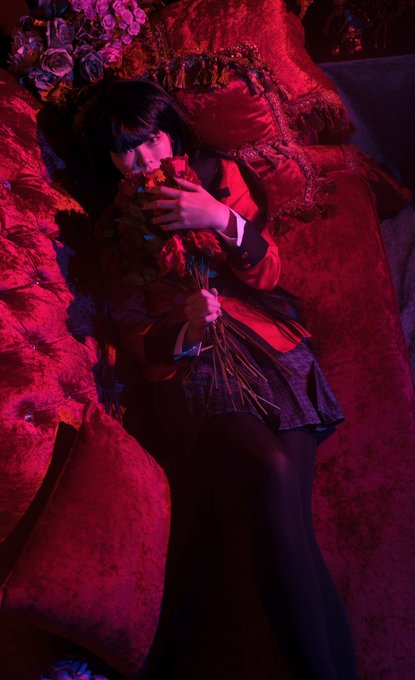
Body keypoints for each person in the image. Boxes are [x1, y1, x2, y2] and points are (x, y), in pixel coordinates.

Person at [81, 78, 357, 680]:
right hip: (194, 362)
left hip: (269, 343)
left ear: (172, 133)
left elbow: (269, 272)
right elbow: (135, 336)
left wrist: (220, 218)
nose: (142, 159)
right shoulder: (114, 228)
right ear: (108, 159)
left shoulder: (217, 174)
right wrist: (185, 325)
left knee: (289, 513)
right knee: (272, 471)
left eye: (152, 140)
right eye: (124, 150)